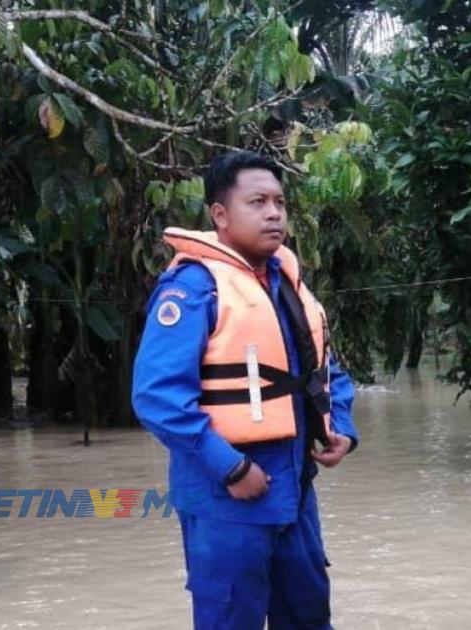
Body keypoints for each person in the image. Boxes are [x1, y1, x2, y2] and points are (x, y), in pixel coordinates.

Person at [132, 151, 359, 630]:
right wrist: (231, 469)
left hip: (295, 490)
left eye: (279, 201)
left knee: (308, 614)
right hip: (226, 498)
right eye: (257, 201)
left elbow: (324, 369)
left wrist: (342, 426)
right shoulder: (193, 290)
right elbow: (157, 397)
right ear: (220, 214)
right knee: (229, 619)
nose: (274, 212)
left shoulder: (287, 285)